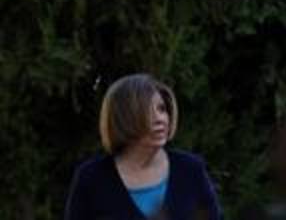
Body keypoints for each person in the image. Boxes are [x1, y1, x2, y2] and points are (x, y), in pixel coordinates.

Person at [64, 73, 223, 220]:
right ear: (124, 118)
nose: (160, 119)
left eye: (161, 109)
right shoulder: (91, 178)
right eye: (147, 111)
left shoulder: (191, 169)